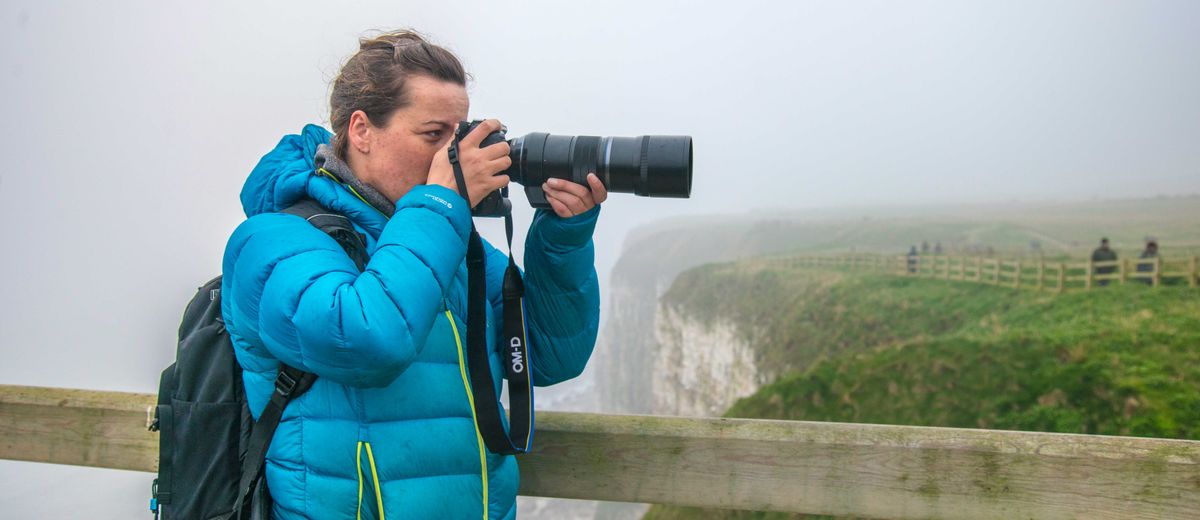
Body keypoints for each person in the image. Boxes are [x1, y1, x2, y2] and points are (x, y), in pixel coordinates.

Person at [221, 30, 603, 520]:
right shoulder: (273, 240)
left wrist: (563, 238)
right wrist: (443, 203)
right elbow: (366, 341)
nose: (455, 154)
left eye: (459, 134)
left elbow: (550, 357)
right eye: (433, 135)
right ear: (361, 130)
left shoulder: (451, 244)